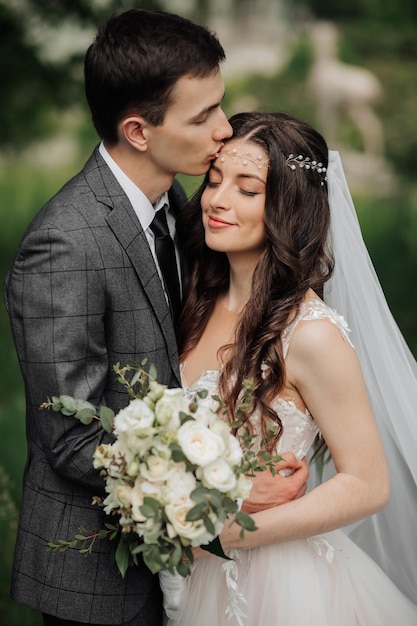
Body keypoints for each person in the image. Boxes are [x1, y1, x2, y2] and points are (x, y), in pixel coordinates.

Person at [3, 11, 308, 626]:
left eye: (220, 106)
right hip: (97, 578)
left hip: (194, 567)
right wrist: (225, 490)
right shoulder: (66, 245)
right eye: (202, 117)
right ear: (139, 131)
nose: (224, 130)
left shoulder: (178, 203)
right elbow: (71, 436)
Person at [170, 111, 417, 625]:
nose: (217, 201)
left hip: (279, 585)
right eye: (214, 181)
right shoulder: (193, 302)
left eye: (247, 189)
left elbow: (367, 483)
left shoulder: (311, 334)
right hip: (184, 577)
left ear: (288, 209)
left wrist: (227, 532)